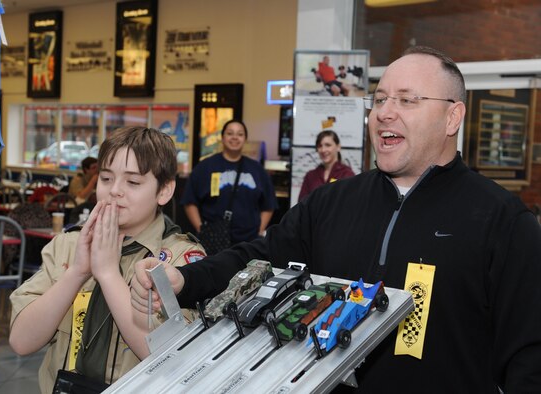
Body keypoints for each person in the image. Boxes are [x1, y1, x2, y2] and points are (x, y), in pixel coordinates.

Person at [131, 46, 541, 392]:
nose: (385, 113)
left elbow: (529, 357)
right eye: (379, 100)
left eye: (407, 100)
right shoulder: (331, 203)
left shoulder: (502, 223)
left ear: (453, 117)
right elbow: (258, 259)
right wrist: (187, 280)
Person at [9, 126, 206, 393]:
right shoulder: (69, 245)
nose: (115, 190)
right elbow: (21, 342)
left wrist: (108, 274)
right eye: (105, 178)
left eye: (133, 182)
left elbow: (170, 356)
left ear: (164, 190)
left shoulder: (180, 259)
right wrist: (77, 272)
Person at [181, 119, 277, 254]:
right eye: (230, 133)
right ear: (222, 137)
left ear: (245, 139)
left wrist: (259, 230)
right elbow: (189, 201)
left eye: (240, 134)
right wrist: (201, 229)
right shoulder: (205, 166)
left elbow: (268, 204)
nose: (235, 138)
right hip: (213, 238)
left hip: (249, 240)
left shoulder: (257, 169)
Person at [298, 130, 355, 202]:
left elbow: (351, 204)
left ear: (338, 147)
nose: (323, 150)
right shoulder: (310, 176)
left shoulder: (347, 174)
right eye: (319, 146)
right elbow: (301, 205)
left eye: (328, 145)